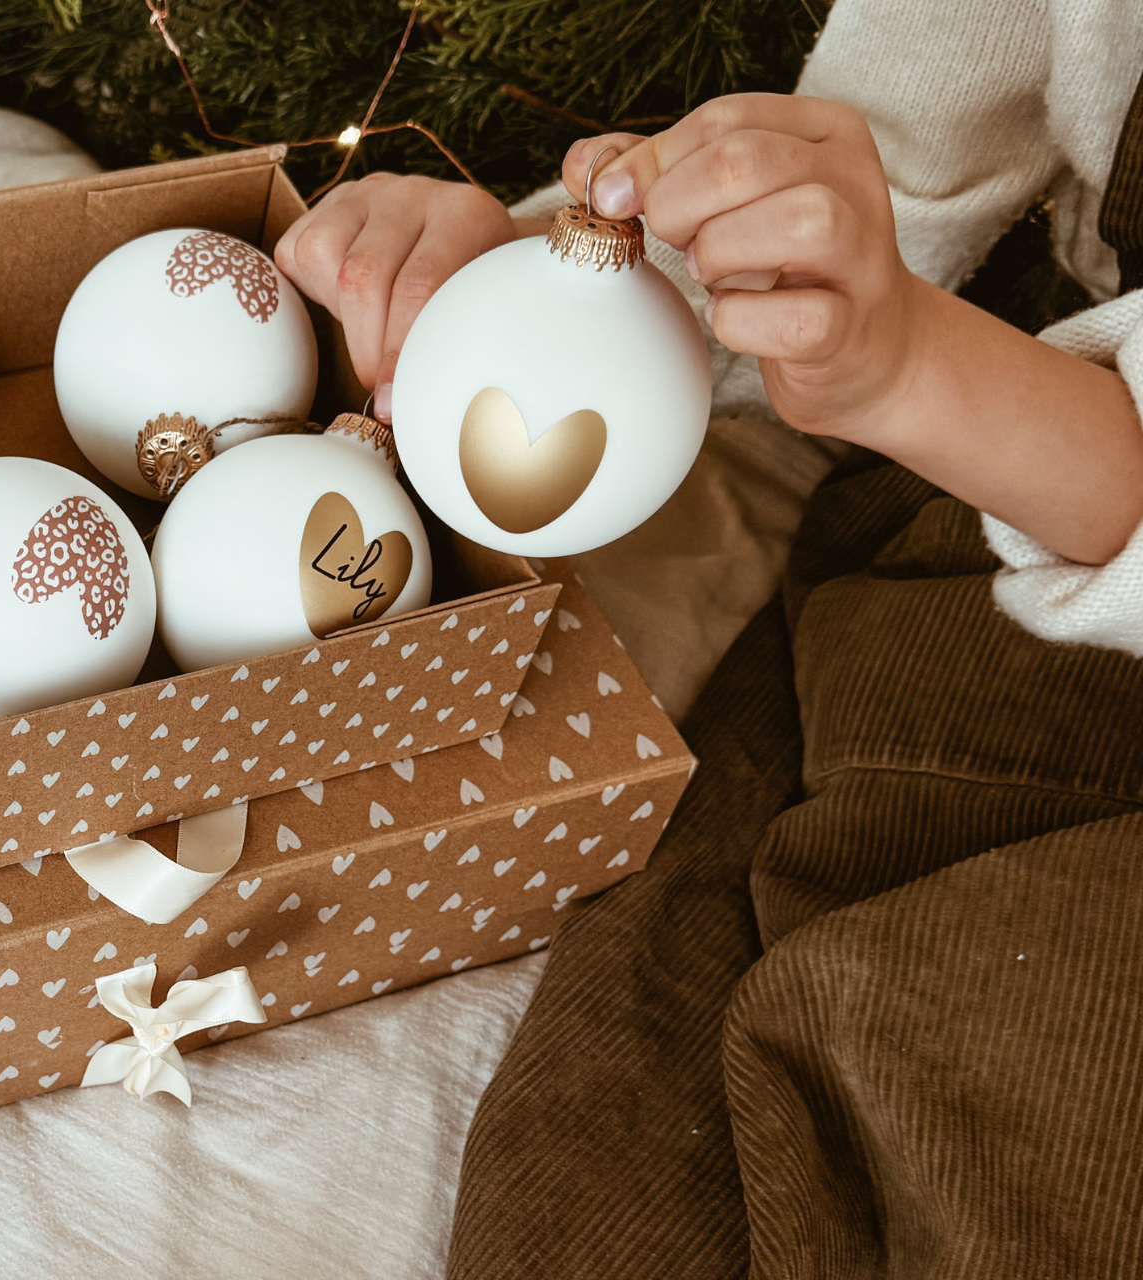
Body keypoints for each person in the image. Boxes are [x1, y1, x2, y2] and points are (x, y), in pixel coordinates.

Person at [273, 2, 1143, 1274]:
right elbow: (888, 162)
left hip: (1050, 512)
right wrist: (517, 293)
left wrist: (909, 370)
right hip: (1015, 551)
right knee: (626, 1149)